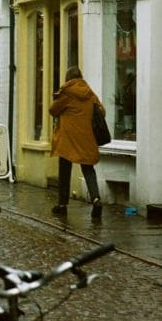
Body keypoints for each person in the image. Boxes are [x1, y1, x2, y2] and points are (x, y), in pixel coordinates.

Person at [49, 65, 104, 220]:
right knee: (88, 168)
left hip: (67, 137)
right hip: (86, 136)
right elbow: (102, 111)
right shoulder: (89, 92)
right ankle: (96, 199)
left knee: (64, 170)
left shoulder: (66, 93)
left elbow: (52, 110)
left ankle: (62, 205)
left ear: (68, 78)